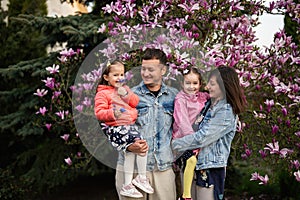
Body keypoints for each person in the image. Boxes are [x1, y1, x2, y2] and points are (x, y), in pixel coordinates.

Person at [172, 66, 247, 200]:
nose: (207, 87)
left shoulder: (225, 111)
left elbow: (202, 138)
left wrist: (174, 145)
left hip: (209, 169)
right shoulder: (210, 104)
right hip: (194, 164)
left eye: (212, 84)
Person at [115, 48, 178, 200]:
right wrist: (127, 146)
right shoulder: (129, 95)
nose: (145, 73)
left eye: (151, 69)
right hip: (132, 169)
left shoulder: (174, 96)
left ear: (163, 70)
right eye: (143, 69)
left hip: (162, 167)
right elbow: (113, 127)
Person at [94, 60, 154, 198]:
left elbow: (135, 102)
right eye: (115, 75)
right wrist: (113, 112)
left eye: (121, 74)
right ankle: (141, 177)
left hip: (127, 126)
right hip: (116, 128)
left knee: (131, 153)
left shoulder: (124, 89)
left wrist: (125, 94)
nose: (119, 78)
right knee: (142, 146)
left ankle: (128, 185)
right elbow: (99, 113)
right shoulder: (103, 94)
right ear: (106, 77)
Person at [172, 66, 210, 200]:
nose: (191, 87)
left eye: (195, 83)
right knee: (191, 160)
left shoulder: (203, 97)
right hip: (183, 138)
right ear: (182, 83)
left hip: (197, 138)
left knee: (196, 165)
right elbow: (183, 122)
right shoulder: (180, 99)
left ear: (200, 84)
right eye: (188, 83)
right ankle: (186, 195)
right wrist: (193, 141)